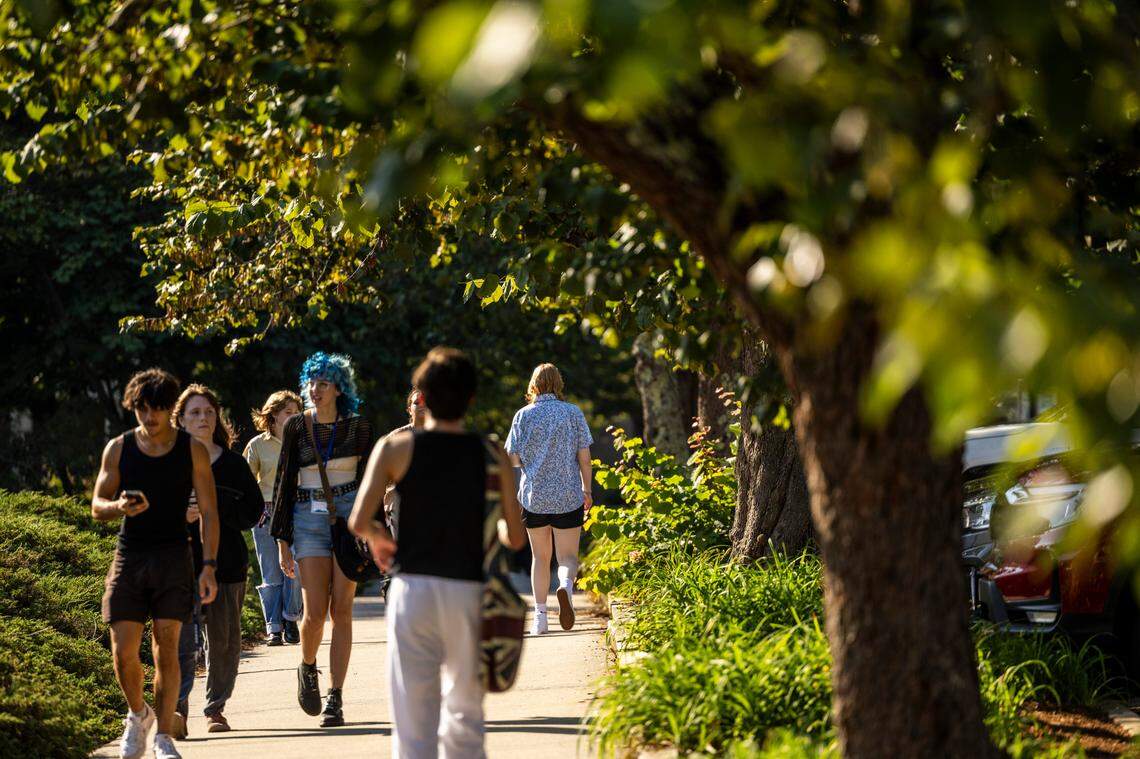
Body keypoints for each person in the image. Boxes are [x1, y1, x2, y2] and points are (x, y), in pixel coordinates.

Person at [350, 347, 525, 759]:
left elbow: (359, 519)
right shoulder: (492, 453)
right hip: (469, 592)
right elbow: (515, 538)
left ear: (422, 397)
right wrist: (492, 529)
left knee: (412, 717)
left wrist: (379, 538)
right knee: (465, 711)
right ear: (471, 399)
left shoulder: (396, 449)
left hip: (413, 589)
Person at [91, 368, 219, 759]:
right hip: (130, 556)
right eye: (142, 409)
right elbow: (97, 505)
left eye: (157, 409)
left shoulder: (191, 450)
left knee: (167, 647)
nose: (149, 418)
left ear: (170, 411)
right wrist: (119, 506)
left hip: (173, 557)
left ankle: (164, 737)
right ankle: (137, 714)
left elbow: (211, 513)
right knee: (123, 649)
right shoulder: (119, 448)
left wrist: (209, 565)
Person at [269, 352, 374, 728]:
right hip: (306, 518)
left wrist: (371, 530)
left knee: (341, 611)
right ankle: (307, 665)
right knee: (314, 613)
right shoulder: (298, 426)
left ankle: (336, 696)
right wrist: (281, 539)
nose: (316, 390)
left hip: (348, 517)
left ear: (339, 387)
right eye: (312, 382)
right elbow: (283, 481)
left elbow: (370, 482)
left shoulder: (359, 427)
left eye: (324, 383)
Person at [173, 384, 264, 735]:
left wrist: (214, 508)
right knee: (180, 640)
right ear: (180, 420)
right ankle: (178, 708)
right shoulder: (169, 463)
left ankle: (215, 709)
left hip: (226, 563)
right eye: (194, 413)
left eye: (209, 412)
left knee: (223, 641)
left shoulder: (234, 465)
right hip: (179, 564)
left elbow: (253, 513)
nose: (203, 418)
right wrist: (183, 514)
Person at [504, 363, 593, 635]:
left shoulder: (522, 416)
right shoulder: (573, 414)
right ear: (558, 384)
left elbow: (511, 457)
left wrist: (531, 463)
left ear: (534, 385)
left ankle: (540, 619)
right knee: (567, 557)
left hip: (534, 497)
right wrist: (587, 490)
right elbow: (585, 459)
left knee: (540, 558)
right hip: (568, 495)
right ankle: (565, 587)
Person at [245, 390, 304, 646]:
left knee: (296, 566)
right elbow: (246, 482)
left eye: (296, 413)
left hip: (297, 510)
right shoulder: (257, 445)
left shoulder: (304, 442)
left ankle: (290, 618)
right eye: (288, 412)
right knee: (271, 572)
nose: (294, 417)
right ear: (274, 415)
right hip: (266, 512)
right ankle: (274, 628)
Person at [382, 388, 427, 537]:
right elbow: (381, 477)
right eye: (416, 402)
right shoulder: (395, 438)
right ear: (409, 410)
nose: (422, 405)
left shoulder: (441, 438)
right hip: (400, 507)